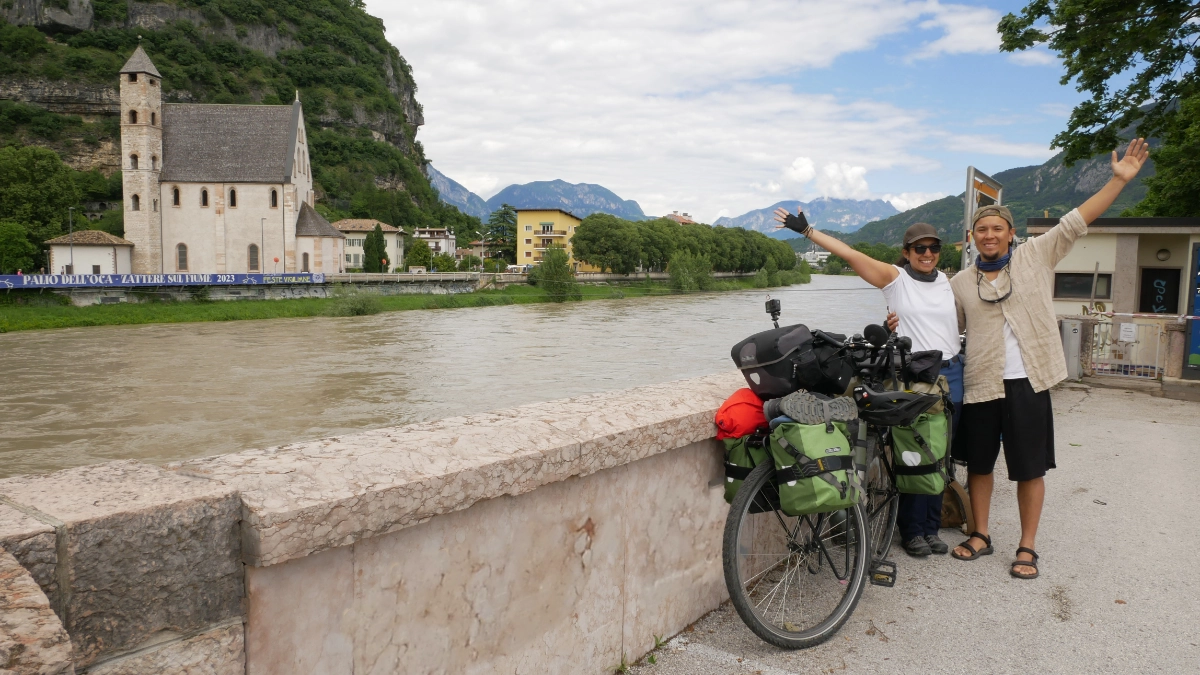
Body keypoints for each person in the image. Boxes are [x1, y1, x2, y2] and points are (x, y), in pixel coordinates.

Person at [949, 138, 1149, 580]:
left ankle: (1027, 545)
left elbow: (1080, 218)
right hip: (983, 382)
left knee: (1028, 468)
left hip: (1028, 381)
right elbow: (947, 327)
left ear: (1009, 233)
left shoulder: (1037, 255)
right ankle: (980, 534)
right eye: (982, 230)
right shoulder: (961, 282)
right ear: (971, 237)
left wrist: (1117, 181)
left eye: (996, 228)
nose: (989, 235)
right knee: (980, 464)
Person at [774, 209, 963, 557]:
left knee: (941, 454)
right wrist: (808, 231)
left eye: (933, 248)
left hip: (951, 373)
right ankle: (913, 531)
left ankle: (933, 525)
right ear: (906, 252)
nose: (927, 254)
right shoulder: (895, 279)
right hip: (913, 375)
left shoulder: (947, 281)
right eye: (918, 249)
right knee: (914, 452)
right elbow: (850, 254)